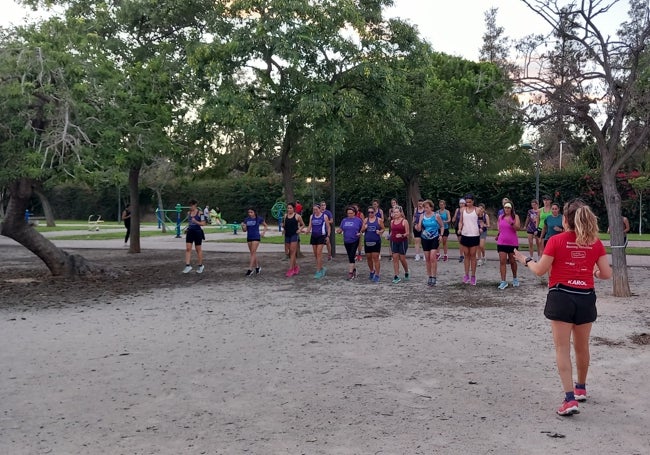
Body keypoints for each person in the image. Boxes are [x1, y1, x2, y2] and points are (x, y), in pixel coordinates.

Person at [513, 199, 612, 416]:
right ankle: (581, 388)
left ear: (565, 219)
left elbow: (540, 270)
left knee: (562, 348)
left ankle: (569, 399)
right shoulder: (595, 243)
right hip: (585, 297)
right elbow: (606, 274)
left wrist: (524, 259)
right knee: (582, 347)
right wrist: (593, 273)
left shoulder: (556, 241)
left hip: (561, 296)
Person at [417, 200, 444, 286]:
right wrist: (418, 224)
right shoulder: (422, 216)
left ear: (431, 208)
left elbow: (442, 226)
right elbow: (418, 228)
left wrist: (441, 235)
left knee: (433, 257)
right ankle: (429, 276)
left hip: (434, 237)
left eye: (427, 207)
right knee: (427, 258)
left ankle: (434, 276)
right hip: (425, 238)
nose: (426, 209)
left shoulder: (436, 216)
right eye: (424, 207)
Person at [496, 202, 520, 289]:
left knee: (512, 261)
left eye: (508, 208)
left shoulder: (515, 217)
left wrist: (512, 223)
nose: (507, 209)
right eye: (505, 207)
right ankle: (503, 281)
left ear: (511, 208)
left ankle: (515, 278)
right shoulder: (500, 217)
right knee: (502, 261)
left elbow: (518, 228)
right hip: (502, 242)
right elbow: (500, 228)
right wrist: (498, 235)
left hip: (512, 242)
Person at [303, 203, 331, 278]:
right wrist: (306, 231)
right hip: (313, 236)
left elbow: (328, 227)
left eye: (316, 209)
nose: (315, 211)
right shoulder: (312, 216)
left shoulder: (324, 216)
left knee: (319, 253)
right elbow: (309, 226)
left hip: (321, 236)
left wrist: (328, 236)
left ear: (319, 209)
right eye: (314, 209)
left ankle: (318, 271)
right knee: (316, 254)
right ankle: (321, 268)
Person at [336, 206, 364, 280]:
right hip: (346, 240)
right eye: (348, 213)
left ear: (354, 213)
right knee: (350, 256)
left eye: (351, 213)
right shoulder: (344, 220)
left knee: (352, 256)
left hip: (355, 240)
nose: (350, 215)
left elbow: (363, 228)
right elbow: (341, 229)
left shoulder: (358, 220)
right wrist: (339, 231)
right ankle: (354, 270)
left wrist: (360, 233)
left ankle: (350, 273)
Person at [458, 194, 480, 285]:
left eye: (469, 202)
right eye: (466, 202)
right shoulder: (463, 210)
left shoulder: (477, 210)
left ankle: (473, 276)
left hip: (474, 234)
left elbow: (482, 220)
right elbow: (461, 221)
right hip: (465, 234)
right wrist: (459, 228)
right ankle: (466, 275)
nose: (468, 203)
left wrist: (481, 227)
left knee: (473, 255)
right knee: (466, 255)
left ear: (473, 201)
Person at [241, 207, 268, 276]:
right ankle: (257, 268)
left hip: (256, 237)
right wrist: (243, 226)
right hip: (249, 237)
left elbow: (265, 225)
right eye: (249, 212)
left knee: (253, 253)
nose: (250, 214)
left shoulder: (259, 218)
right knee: (253, 253)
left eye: (251, 212)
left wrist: (263, 233)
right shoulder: (246, 220)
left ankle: (250, 269)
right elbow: (245, 230)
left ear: (254, 212)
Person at [183, 199, 206, 274]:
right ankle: (187, 265)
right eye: (190, 205)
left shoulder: (200, 213)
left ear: (195, 205)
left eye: (192, 205)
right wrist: (187, 229)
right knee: (188, 248)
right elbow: (189, 223)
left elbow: (203, 223)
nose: (191, 207)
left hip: (197, 232)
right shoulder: (188, 213)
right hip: (190, 232)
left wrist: (196, 222)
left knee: (198, 249)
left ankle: (200, 265)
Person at [282, 202, 305, 277]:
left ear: (294, 208)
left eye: (290, 208)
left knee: (292, 252)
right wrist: (283, 227)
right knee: (289, 252)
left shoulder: (297, 216)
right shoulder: (285, 216)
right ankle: (296, 267)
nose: (289, 209)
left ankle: (291, 269)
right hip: (287, 235)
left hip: (294, 235)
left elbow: (303, 224)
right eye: (288, 208)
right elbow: (285, 225)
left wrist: (300, 229)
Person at [363, 205, 384, 282]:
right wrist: (364, 228)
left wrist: (380, 232)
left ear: (375, 212)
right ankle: (372, 271)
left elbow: (383, 228)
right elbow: (361, 230)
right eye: (369, 212)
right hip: (367, 241)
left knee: (375, 258)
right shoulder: (365, 220)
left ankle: (377, 274)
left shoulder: (378, 220)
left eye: (372, 212)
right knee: (368, 258)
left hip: (376, 241)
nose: (370, 214)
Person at [389, 205, 410, 284]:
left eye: (397, 212)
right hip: (394, 241)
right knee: (395, 258)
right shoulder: (392, 222)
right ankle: (396, 275)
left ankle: (406, 271)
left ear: (401, 213)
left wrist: (402, 235)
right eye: (394, 212)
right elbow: (392, 231)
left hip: (403, 242)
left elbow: (407, 233)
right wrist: (389, 236)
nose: (396, 213)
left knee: (402, 258)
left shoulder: (404, 221)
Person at [453, 198, 466, 262]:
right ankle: (461, 255)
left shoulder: (466, 210)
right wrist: (453, 219)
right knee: (460, 242)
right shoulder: (457, 210)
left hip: (465, 227)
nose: (461, 204)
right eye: (460, 203)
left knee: (464, 242)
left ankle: (465, 254)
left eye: (463, 203)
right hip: (458, 227)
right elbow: (455, 217)